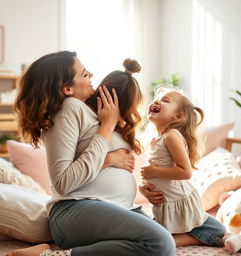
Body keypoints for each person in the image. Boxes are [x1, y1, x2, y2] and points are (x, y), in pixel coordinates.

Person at [7, 51, 175, 256]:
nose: (92, 75)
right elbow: (63, 181)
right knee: (160, 243)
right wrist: (107, 139)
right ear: (67, 88)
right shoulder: (70, 108)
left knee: (165, 242)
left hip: (119, 208)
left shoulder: (95, 113)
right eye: (85, 74)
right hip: (75, 209)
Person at [140, 88, 227, 247]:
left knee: (219, 230)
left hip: (180, 201)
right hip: (164, 204)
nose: (157, 101)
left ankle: (176, 241)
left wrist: (153, 171)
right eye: (157, 98)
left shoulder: (171, 136)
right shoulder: (154, 139)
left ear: (178, 116)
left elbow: (185, 172)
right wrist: (143, 189)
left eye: (165, 100)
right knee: (143, 231)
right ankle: (170, 239)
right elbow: (153, 174)